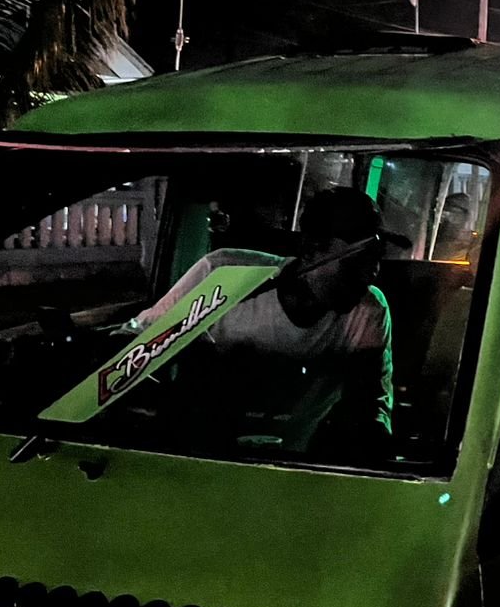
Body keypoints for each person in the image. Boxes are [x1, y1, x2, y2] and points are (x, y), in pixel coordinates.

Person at [136, 185, 394, 450]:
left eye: (376, 260)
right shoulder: (223, 276)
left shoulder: (367, 311)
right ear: (309, 250)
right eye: (354, 263)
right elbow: (137, 348)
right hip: (193, 454)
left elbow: (370, 403)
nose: (369, 275)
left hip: (289, 465)